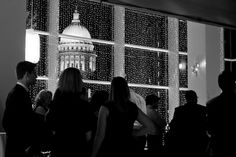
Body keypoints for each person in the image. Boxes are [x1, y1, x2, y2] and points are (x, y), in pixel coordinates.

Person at [91, 77, 156, 157]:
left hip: (109, 149)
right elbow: (151, 127)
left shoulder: (105, 108)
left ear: (112, 90)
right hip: (127, 149)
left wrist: (93, 154)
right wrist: (134, 133)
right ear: (126, 89)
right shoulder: (132, 107)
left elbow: (100, 135)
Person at [46, 67, 94, 157]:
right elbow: (88, 134)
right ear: (78, 82)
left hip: (60, 149)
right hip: (79, 149)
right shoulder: (84, 106)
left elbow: (50, 128)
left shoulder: (56, 104)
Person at [2, 61, 38, 157]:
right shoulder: (18, 94)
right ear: (27, 74)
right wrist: (25, 145)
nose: (36, 76)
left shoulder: (18, 92)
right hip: (19, 149)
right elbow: (8, 123)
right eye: (34, 73)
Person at [166, 90, 208, 157]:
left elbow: (173, 124)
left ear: (186, 98)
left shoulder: (179, 110)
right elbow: (206, 124)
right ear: (195, 98)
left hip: (183, 141)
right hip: (199, 140)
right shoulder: (203, 109)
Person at [206, 70, 236, 157]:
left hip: (218, 145)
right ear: (233, 83)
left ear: (220, 84)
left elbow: (210, 128)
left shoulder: (211, 104)